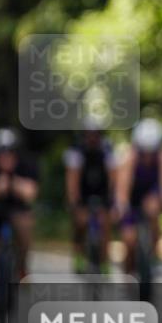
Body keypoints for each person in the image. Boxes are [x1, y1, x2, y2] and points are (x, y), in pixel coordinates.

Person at [115, 118, 162, 276]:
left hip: (151, 195)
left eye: (152, 151)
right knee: (129, 240)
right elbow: (122, 187)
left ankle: (154, 254)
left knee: (153, 208)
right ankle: (128, 273)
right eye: (144, 151)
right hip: (132, 197)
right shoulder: (129, 157)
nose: (148, 156)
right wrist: (121, 205)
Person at [64, 117, 118, 274]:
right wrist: (74, 202)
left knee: (105, 224)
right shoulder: (76, 150)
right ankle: (79, 255)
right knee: (80, 223)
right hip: (83, 191)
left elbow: (113, 177)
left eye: (95, 134)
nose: (92, 138)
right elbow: (72, 179)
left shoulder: (107, 149)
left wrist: (112, 200)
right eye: (89, 134)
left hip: (102, 190)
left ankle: (104, 261)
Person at [0, 128, 39, 283]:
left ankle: (22, 266)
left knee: (25, 226)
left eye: (9, 153)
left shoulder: (26, 165)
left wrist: (14, 184)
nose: (5, 157)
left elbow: (31, 193)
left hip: (18, 213)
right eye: (1, 153)